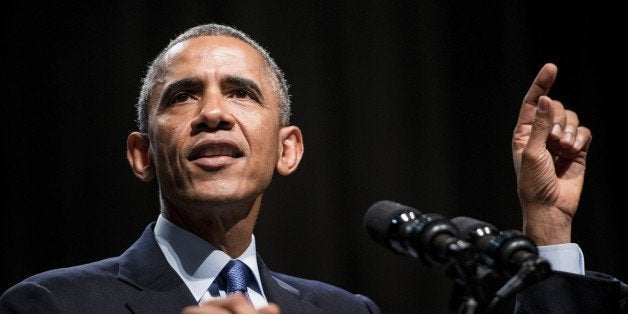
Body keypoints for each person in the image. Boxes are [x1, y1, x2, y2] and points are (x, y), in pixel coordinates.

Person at [0, 22, 625, 314]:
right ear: (141, 155)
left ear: (288, 148)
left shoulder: (347, 313)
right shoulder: (52, 305)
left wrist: (545, 225)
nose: (213, 113)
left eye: (242, 93)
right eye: (183, 95)